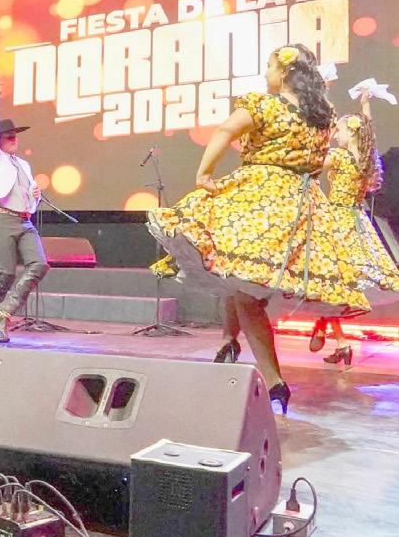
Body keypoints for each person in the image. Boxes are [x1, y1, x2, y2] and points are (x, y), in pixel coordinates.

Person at [146, 44, 368, 414]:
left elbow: (225, 130)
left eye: (269, 65)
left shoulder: (264, 105)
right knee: (240, 282)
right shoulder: (323, 116)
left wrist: (204, 173)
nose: (266, 73)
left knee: (241, 283)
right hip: (301, 207)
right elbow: (316, 164)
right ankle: (239, 349)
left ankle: (272, 378)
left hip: (260, 200)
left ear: (285, 71)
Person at [309, 92, 399, 364]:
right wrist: (365, 104)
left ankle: (328, 330)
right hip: (357, 222)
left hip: (336, 221)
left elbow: (310, 163)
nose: (336, 135)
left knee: (328, 280)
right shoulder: (366, 160)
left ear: (352, 132)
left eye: (340, 130)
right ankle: (334, 336)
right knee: (336, 282)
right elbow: (368, 133)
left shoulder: (340, 157)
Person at [0, 85, 48, 342]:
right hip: (2, 218)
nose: (13, 139)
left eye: (14, 136)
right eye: (8, 137)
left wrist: (35, 197)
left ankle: (3, 312)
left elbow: (28, 198)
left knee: (39, 264)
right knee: (6, 272)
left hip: (25, 220)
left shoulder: (23, 164)